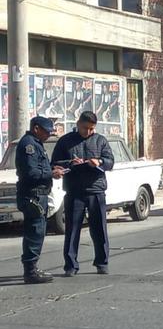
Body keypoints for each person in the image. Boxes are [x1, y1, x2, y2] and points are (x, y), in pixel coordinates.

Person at [51, 111, 115, 275]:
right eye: (85, 128)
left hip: (96, 190)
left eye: (92, 129)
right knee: (72, 230)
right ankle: (71, 265)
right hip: (74, 191)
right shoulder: (65, 141)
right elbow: (55, 163)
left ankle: (102, 263)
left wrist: (99, 162)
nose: (88, 132)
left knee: (99, 228)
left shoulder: (100, 140)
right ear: (78, 123)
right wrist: (71, 163)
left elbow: (110, 162)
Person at [15, 116, 66, 284]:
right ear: (36, 128)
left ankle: (32, 267)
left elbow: (38, 168)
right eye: (46, 132)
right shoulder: (28, 145)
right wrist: (51, 174)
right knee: (35, 232)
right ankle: (30, 271)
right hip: (33, 195)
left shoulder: (36, 143)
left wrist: (52, 169)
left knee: (38, 230)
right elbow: (30, 173)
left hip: (39, 194)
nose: (48, 135)